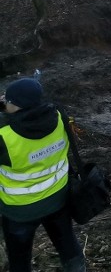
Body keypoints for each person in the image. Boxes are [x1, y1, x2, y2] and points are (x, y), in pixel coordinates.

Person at [0, 78, 86, 272]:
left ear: (16, 105)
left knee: (19, 260)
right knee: (68, 247)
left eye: (8, 100)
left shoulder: (4, 135)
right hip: (58, 199)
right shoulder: (58, 116)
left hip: (19, 210)